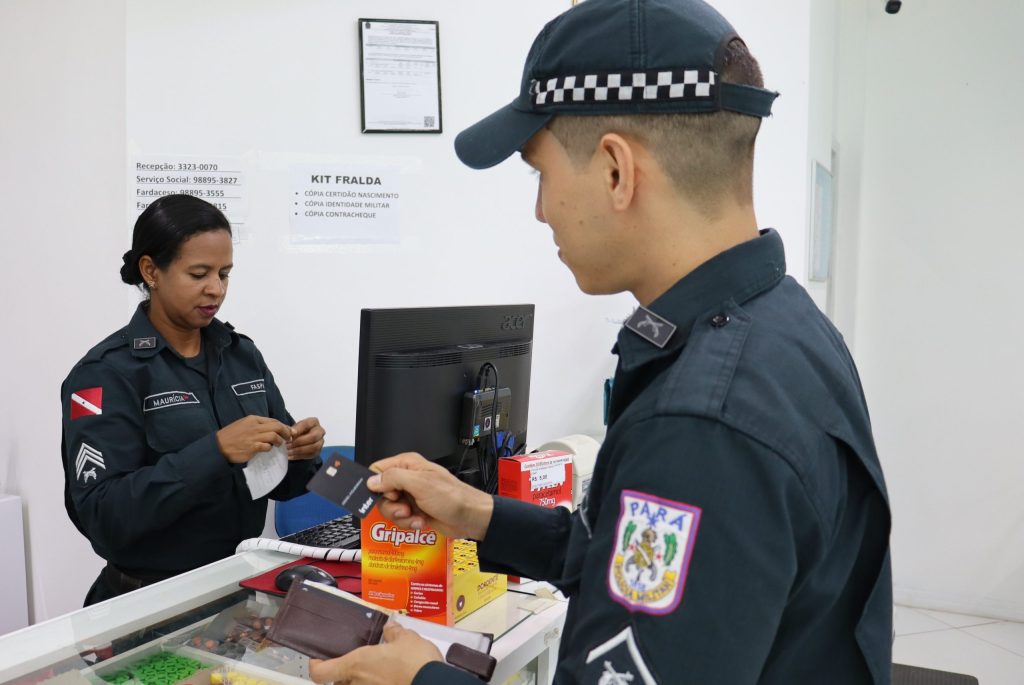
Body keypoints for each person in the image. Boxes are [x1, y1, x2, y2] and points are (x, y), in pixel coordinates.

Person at [310, 0, 892, 683]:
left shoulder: (702, 427)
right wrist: (479, 514)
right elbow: (635, 560)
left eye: (540, 173)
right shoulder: (782, 326)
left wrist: (423, 678)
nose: (539, 208)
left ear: (616, 170)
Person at [61, 194, 325, 606]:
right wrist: (216, 452)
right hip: (146, 605)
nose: (215, 289)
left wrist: (304, 453)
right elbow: (104, 516)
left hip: (236, 594)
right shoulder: (105, 374)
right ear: (151, 271)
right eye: (199, 273)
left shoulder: (241, 355)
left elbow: (285, 485)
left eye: (225, 274)